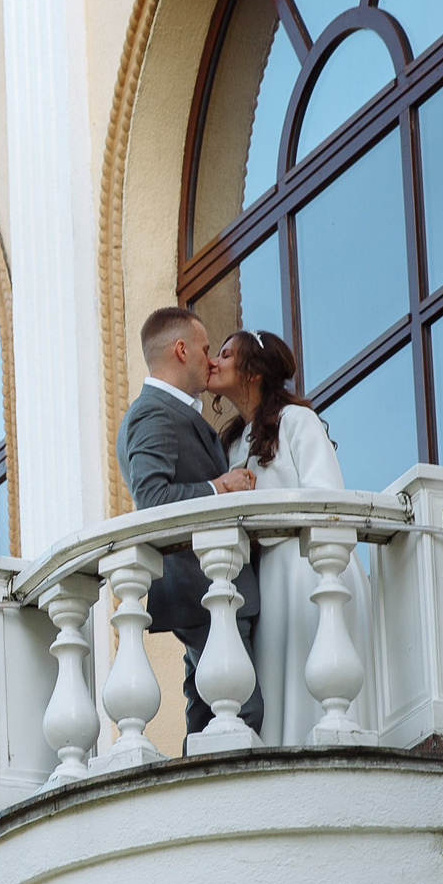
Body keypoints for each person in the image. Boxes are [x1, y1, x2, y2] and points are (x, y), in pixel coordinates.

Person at [201, 328, 362, 745]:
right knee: (275, 675)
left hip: (306, 568)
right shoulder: (234, 441)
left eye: (225, 354)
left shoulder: (297, 420)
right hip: (267, 578)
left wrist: (258, 499)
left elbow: (328, 496)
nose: (214, 362)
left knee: (312, 671)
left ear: (253, 371)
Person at [114, 305, 265, 737]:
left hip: (207, 588)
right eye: (203, 349)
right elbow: (153, 498)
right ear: (181, 350)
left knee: (207, 718)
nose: (210, 359)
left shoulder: (172, 413)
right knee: (240, 712)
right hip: (203, 588)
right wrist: (221, 487)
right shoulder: (153, 413)